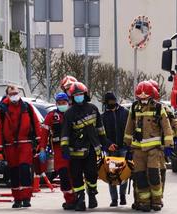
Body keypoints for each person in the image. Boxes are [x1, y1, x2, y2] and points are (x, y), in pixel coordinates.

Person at [124, 81, 174, 212]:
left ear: (151, 96)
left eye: (145, 97)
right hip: (138, 149)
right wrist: (127, 146)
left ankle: (157, 201)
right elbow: (129, 127)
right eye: (140, 97)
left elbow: (167, 127)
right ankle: (144, 202)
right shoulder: (134, 108)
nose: (143, 99)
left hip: (154, 149)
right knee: (140, 177)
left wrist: (169, 145)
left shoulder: (158, 108)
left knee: (154, 176)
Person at [0, 85, 44, 208]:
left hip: (25, 143)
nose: (14, 95)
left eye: (16, 93)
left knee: (24, 170)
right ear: (7, 95)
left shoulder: (27, 107)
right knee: (14, 173)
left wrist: (39, 142)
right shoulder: (2, 110)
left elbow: (36, 124)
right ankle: (17, 199)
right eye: (11, 94)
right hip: (10, 146)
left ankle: (26, 198)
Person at [60, 82, 106, 211]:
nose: (78, 97)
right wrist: (64, 148)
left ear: (85, 94)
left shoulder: (93, 109)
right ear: (72, 97)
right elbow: (65, 133)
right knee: (76, 176)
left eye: (80, 94)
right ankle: (81, 198)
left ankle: (92, 194)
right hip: (75, 150)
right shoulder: (69, 113)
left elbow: (100, 129)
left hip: (91, 148)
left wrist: (106, 143)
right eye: (76, 95)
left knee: (91, 174)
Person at [148, 79, 177, 205]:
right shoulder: (137, 108)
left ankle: (157, 198)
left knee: (160, 172)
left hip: (159, 148)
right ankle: (142, 200)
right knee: (140, 176)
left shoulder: (163, 108)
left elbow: (174, 123)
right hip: (142, 149)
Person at [41, 92, 76, 210]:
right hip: (59, 150)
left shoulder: (73, 113)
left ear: (68, 102)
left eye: (64, 103)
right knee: (64, 175)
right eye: (59, 103)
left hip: (74, 149)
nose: (62, 105)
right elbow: (44, 133)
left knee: (75, 175)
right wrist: (42, 149)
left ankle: (77, 198)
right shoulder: (52, 116)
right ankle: (69, 199)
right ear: (56, 104)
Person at [102, 92, 129, 207]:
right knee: (112, 175)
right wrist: (108, 144)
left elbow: (129, 130)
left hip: (123, 148)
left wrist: (128, 145)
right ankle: (114, 199)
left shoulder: (125, 113)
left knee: (124, 174)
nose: (111, 104)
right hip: (111, 149)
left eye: (112, 101)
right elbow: (101, 134)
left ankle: (122, 195)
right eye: (109, 102)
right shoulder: (103, 116)